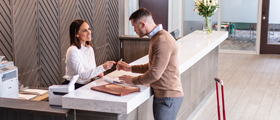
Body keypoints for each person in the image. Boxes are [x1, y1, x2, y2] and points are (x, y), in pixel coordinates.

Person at [117, 8, 184, 120]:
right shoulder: (157, 38)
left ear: (143, 24)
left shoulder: (162, 40)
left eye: (134, 26)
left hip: (168, 97)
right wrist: (130, 68)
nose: (134, 30)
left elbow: (154, 74)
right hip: (165, 96)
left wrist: (132, 80)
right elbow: (152, 66)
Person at [62, 19, 115, 89]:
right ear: (76, 34)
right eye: (84, 31)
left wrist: (98, 73)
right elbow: (82, 75)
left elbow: (91, 71)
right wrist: (103, 67)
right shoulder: (72, 50)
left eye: (89, 29)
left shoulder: (89, 48)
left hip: (86, 85)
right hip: (73, 87)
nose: (89, 32)